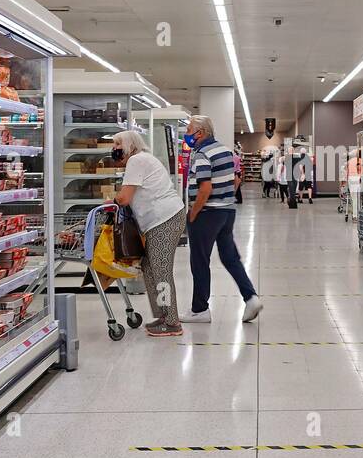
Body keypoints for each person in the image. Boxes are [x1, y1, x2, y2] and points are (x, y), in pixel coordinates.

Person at [180, 115, 262, 324]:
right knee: (230, 257)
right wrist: (226, 199)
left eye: (189, 130)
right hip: (227, 212)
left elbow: (205, 188)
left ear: (200, 133)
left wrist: (194, 212)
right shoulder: (225, 150)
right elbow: (235, 180)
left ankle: (200, 310)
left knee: (199, 260)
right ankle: (250, 297)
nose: (187, 134)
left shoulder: (201, 154)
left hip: (207, 214)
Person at [111, 129, 185, 337]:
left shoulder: (137, 161)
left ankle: (171, 322)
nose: (115, 149)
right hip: (161, 219)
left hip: (164, 218)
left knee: (160, 268)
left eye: (118, 144)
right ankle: (163, 315)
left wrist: (111, 201)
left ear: (130, 146)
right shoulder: (139, 160)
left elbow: (124, 198)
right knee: (149, 266)